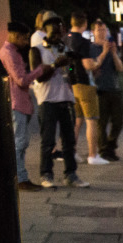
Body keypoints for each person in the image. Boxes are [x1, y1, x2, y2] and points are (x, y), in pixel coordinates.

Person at [31, 13, 88, 188]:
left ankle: (70, 174)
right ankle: (46, 174)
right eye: (54, 31)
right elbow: (38, 76)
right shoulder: (37, 50)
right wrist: (56, 64)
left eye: (60, 30)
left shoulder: (63, 49)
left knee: (69, 140)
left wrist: (70, 65)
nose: (58, 34)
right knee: (48, 141)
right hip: (48, 100)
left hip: (66, 98)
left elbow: (71, 75)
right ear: (46, 31)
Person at [0, 22, 54, 191]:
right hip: (16, 102)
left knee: (22, 142)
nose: (25, 42)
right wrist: (40, 70)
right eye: (24, 38)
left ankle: (21, 176)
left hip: (21, 102)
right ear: (15, 35)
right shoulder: (8, 53)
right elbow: (21, 80)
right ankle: (19, 177)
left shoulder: (13, 52)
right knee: (19, 142)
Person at [68, 12, 108, 164]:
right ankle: (93, 155)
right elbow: (88, 65)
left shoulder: (66, 39)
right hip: (85, 83)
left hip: (72, 84)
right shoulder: (83, 42)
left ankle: (71, 152)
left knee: (77, 120)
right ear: (84, 24)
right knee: (92, 121)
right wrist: (102, 55)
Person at [91, 21, 123, 162]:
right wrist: (104, 52)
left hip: (114, 88)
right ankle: (104, 150)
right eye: (99, 30)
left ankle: (111, 146)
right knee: (101, 123)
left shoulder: (112, 49)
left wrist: (114, 54)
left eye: (104, 30)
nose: (102, 33)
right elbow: (91, 67)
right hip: (99, 90)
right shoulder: (91, 49)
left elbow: (120, 68)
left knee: (118, 121)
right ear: (93, 32)